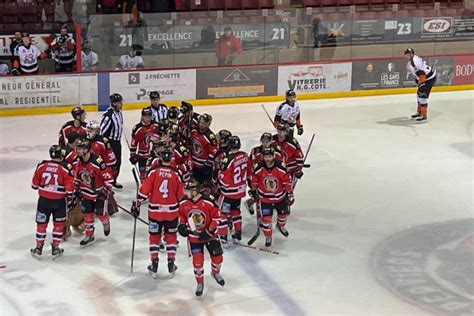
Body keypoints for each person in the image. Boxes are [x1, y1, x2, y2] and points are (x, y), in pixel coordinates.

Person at [132, 146, 184, 278]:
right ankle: (171, 262)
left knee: (154, 237)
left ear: (160, 158)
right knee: (171, 237)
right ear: (171, 158)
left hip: (155, 211)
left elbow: (143, 192)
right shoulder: (177, 174)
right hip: (172, 212)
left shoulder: (153, 172)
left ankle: (154, 263)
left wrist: (136, 204)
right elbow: (181, 196)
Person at [178, 179, 225, 297]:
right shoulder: (184, 202)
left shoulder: (208, 201)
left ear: (194, 192)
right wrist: (181, 226)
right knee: (197, 263)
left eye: (187, 190)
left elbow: (217, 217)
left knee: (218, 257)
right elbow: (181, 216)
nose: (185, 192)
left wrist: (209, 231)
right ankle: (200, 283)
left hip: (210, 236)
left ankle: (215, 273)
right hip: (194, 238)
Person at [31, 145, 75, 258]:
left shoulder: (41, 165)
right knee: (58, 225)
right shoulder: (66, 168)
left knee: (41, 224)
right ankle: (55, 248)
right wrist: (70, 199)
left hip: (44, 201)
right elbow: (69, 189)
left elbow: (34, 185)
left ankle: (38, 248)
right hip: (59, 202)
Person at [249, 147, 293, 247]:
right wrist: (253, 190)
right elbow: (254, 180)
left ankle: (280, 226)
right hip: (265, 199)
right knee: (266, 220)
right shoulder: (258, 167)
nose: (268, 158)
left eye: (270, 156)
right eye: (266, 156)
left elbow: (287, 180)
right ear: (263, 157)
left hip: (280, 198)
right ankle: (268, 236)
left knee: (283, 215)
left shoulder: (280, 167)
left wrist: (290, 193)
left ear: (273, 156)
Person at [74, 139, 114, 246]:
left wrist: (106, 190)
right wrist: (77, 188)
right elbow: (77, 175)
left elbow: (109, 178)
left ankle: (106, 222)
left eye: (80, 148)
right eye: (77, 148)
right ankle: (89, 235)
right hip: (86, 192)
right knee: (87, 214)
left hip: (99, 193)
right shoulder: (78, 160)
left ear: (86, 150)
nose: (77, 150)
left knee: (100, 213)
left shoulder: (97, 162)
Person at [217, 136, 250, 243]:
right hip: (240, 191)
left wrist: (220, 184)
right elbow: (249, 171)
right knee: (236, 211)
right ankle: (238, 232)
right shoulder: (245, 156)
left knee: (223, 214)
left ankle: (223, 237)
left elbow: (223, 177)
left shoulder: (227, 159)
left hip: (228, 193)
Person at [245, 132, 283, 214]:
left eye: (267, 141)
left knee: (271, 194)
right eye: (263, 141)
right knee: (258, 196)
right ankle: (252, 203)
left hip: (272, 178)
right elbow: (250, 165)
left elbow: (281, 165)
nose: (265, 143)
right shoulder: (255, 151)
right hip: (258, 178)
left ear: (271, 141)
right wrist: (249, 179)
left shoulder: (276, 151)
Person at [404, 48, 437, 122]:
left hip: (429, 78)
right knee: (419, 95)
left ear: (411, 54)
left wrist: (421, 83)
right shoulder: (413, 59)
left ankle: (424, 115)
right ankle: (419, 112)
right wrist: (419, 81)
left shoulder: (414, 62)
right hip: (427, 77)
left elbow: (422, 74)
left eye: (408, 54)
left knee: (422, 96)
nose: (406, 55)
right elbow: (419, 73)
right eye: (406, 54)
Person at [100, 94, 124, 189]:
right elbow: (101, 131)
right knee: (110, 164)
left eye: (120, 101)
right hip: (110, 143)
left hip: (117, 142)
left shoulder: (119, 112)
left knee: (118, 163)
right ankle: (107, 183)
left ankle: (113, 180)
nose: (120, 104)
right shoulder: (108, 116)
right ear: (113, 103)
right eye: (118, 102)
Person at [130, 108, 159, 180]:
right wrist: (132, 154)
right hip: (142, 156)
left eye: (149, 117)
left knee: (152, 172)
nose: (148, 119)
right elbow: (134, 143)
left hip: (153, 154)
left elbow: (160, 138)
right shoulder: (137, 128)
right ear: (142, 117)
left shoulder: (156, 125)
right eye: (146, 117)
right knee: (142, 174)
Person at [190, 114, 218, 186]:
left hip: (203, 166)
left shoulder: (210, 137)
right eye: (201, 122)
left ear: (208, 124)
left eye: (204, 123)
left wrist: (207, 165)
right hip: (193, 164)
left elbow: (213, 153)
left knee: (204, 186)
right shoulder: (194, 131)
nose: (201, 125)